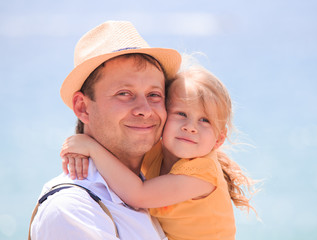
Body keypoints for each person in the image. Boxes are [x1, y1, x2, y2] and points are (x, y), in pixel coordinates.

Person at [61, 62, 257, 240]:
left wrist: (90, 147)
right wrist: (79, 146)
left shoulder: (201, 173)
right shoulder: (156, 151)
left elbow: (138, 195)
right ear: (164, 115)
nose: (191, 127)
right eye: (181, 114)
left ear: (219, 139)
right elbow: (118, 143)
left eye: (205, 120)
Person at [28, 20, 181, 240]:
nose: (145, 110)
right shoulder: (72, 209)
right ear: (82, 107)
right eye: (124, 93)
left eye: (154, 95)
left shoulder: (153, 192)